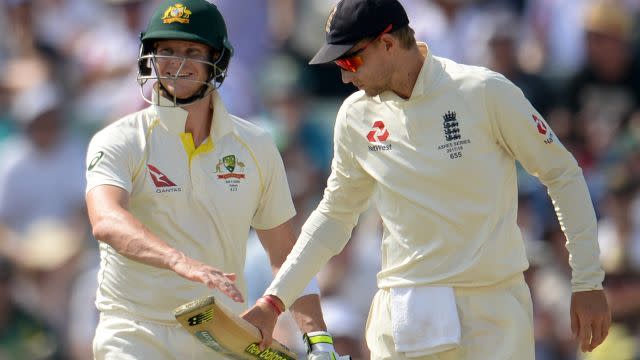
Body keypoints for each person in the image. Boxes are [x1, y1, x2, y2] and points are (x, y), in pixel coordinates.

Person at [241, 0, 611, 359]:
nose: (345, 75)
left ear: (387, 43)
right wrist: (273, 302)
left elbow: (562, 173)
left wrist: (588, 281)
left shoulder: (483, 92)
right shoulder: (355, 116)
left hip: (491, 313)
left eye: (350, 60)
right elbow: (333, 218)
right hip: (403, 313)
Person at [84, 1, 349, 359]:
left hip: (217, 334)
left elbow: (285, 255)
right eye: (166, 51)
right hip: (134, 329)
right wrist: (179, 261)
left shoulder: (255, 145)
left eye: (191, 51)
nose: (176, 64)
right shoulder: (120, 139)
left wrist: (318, 339)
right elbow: (106, 220)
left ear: (218, 60)